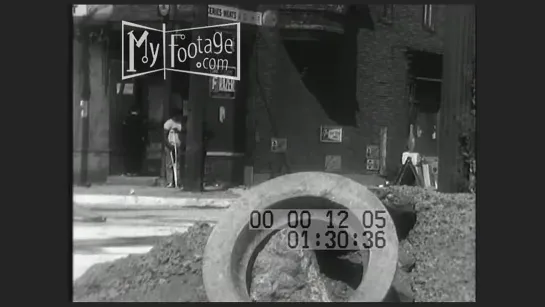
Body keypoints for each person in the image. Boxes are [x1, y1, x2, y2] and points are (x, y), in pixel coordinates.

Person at [163, 109, 185, 188]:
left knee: (178, 164)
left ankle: (177, 181)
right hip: (170, 145)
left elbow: (183, 132)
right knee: (169, 164)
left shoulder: (180, 123)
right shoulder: (168, 123)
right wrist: (169, 145)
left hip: (178, 145)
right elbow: (164, 136)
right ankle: (170, 182)